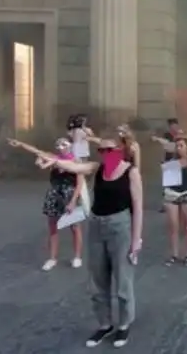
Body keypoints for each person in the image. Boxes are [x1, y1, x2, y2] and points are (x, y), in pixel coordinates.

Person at [29, 137, 143, 348]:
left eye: (109, 150)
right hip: (97, 224)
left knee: (122, 279)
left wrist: (136, 239)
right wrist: (41, 153)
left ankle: (124, 324)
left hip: (121, 226)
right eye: (101, 150)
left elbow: (138, 207)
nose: (104, 154)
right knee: (98, 279)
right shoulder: (97, 168)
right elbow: (70, 165)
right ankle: (105, 323)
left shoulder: (131, 172)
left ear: (119, 150)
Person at [8, 138, 85, 271]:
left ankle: (77, 256)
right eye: (58, 145)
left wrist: (73, 201)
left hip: (70, 194)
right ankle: (52, 258)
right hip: (54, 194)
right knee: (52, 227)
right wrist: (21, 144)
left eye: (64, 144)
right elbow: (36, 151)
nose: (61, 147)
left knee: (75, 227)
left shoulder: (76, 162)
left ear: (70, 146)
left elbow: (79, 184)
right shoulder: (53, 158)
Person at [155, 135, 187, 267]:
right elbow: (164, 172)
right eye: (177, 146)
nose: (179, 148)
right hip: (172, 194)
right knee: (173, 226)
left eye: (182, 146)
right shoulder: (172, 160)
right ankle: (174, 254)